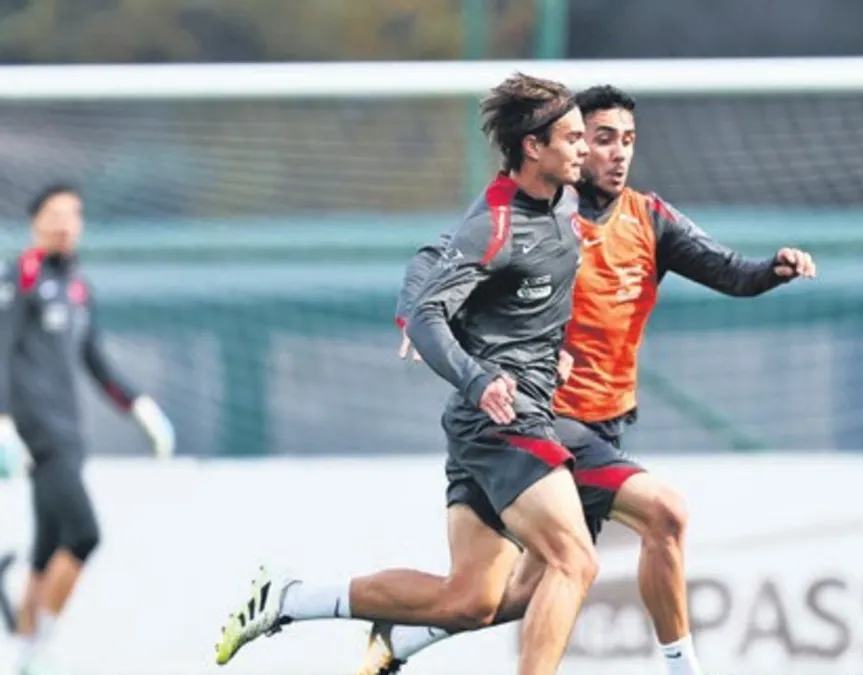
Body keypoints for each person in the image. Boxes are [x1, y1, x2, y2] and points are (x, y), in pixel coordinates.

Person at [361, 84, 816, 675]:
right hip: (541, 423)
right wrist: (413, 316)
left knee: (497, 598)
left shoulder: (648, 219)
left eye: (627, 140)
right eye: (598, 139)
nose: (615, 152)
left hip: (599, 425)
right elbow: (434, 257)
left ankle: (391, 637)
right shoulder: (541, 208)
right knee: (660, 517)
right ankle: (683, 669)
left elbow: (730, 272)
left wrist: (772, 271)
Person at [213, 73, 594, 675]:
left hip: (504, 419)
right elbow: (427, 301)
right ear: (532, 146)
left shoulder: (567, 201)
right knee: (576, 560)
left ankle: (291, 599)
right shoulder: (493, 223)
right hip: (501, 421)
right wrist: (477, 378)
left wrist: (556, 349)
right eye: (572, 137)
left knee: (471, 601)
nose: (586, 148)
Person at [0, 183, 176, 675]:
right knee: (83, 534)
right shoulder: (20, 277)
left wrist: (139, 407)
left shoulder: (78, 286)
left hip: (70, 433)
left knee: (45, 550)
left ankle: (23, 650)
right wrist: (3, 422)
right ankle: (39, 646)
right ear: (35, 222)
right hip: (38, 434)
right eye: (54, 214)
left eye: (72, 214)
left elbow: (95, 361)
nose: (64, 224)